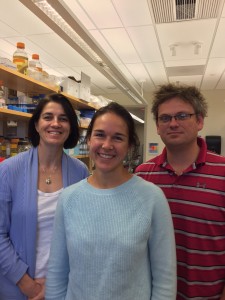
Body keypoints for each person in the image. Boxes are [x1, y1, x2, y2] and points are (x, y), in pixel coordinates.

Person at [45, 101, 177, 300]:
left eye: (118, 137)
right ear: (89, 139)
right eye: (99, 135)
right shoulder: (69, 198)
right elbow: (57, 272)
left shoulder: (152, 198)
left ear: (130, 145)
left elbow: (164, 279)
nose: (107, 145)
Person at [135, 83, 225, 300]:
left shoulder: (223, 173)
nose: (173, 123)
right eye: (165, 118)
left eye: (182, 116)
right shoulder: (142, 176)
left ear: (200, 121)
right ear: (157, 126)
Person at [0, 93, 89, 300]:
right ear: (37, 124)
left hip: (63, 285)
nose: (55, 123)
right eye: (48, 117)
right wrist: (27, 285)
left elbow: (82, 234)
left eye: (63, 118)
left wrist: (54, 283)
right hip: (16, 287)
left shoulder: (80, 173)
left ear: (70, 127)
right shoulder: (9, 171)